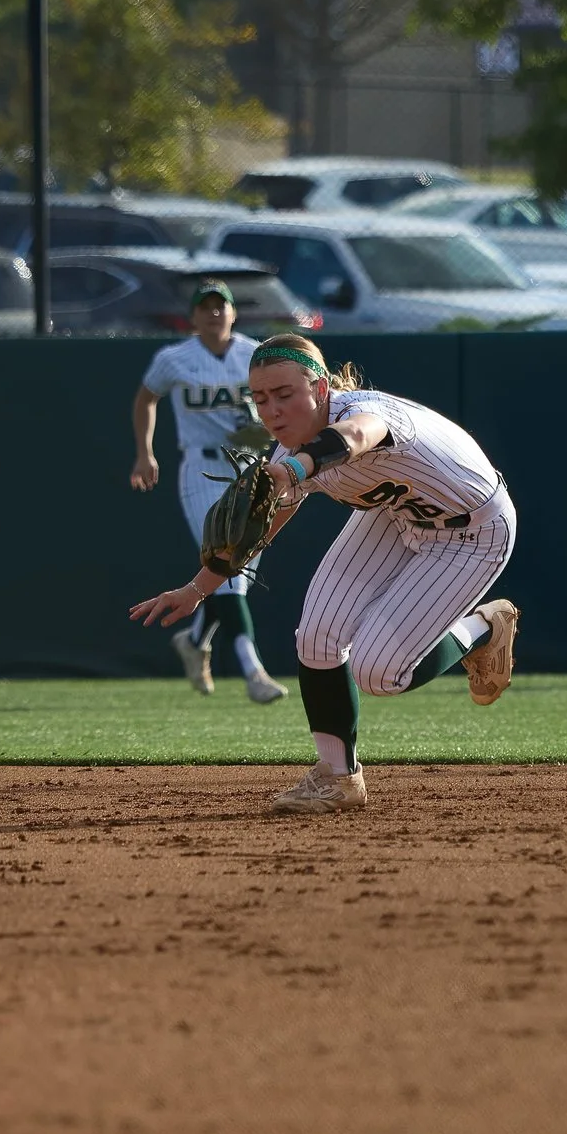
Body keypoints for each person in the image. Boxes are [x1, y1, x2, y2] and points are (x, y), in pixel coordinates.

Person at [129, 333, 520, 815]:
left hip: (473, 530)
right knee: (316, 636)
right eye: (261, 398)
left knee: (379, 673)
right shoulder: (284, 454)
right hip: (394, 517)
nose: (271, 410)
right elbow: (259, 530)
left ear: (319, 389)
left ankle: (485, 628)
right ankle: (339, 779)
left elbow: (355, 439)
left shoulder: (368, 413)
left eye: (284, 394)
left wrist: (296, 468)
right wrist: (197, 589)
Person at [130, 281, 288, 704]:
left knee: (240, 574)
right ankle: (253, 670)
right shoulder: (174, 358)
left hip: (250, 465)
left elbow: (277, 405)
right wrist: (145, 453)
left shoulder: (256, 354)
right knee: (226, 567)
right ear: (193, 316)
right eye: (206, 307)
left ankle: (195, 639)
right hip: (201, 467)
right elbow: (146, 398)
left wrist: (266, 432)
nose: (214, 313)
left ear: (233, 313)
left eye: (222, 306)